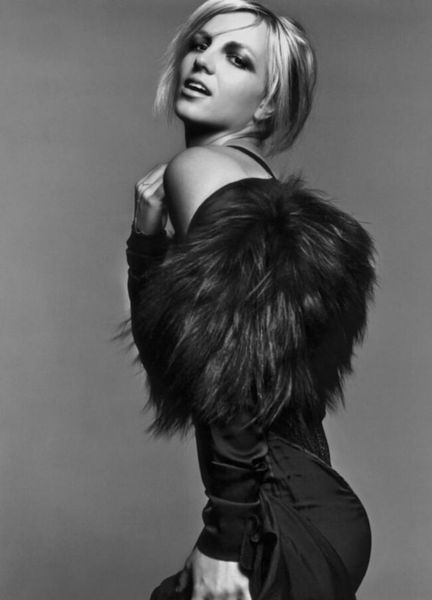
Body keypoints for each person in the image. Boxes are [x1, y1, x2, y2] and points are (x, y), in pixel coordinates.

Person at [126, 1, 376, 598]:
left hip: (273, 507)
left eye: (237, 58)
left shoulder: (199, 167)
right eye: (200, 44)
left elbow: (231, 365)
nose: (203, 61)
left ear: (266, 103)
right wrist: (147, 247)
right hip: (306, 501)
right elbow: (184, 368)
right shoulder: (251, 184)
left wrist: (227, 533)